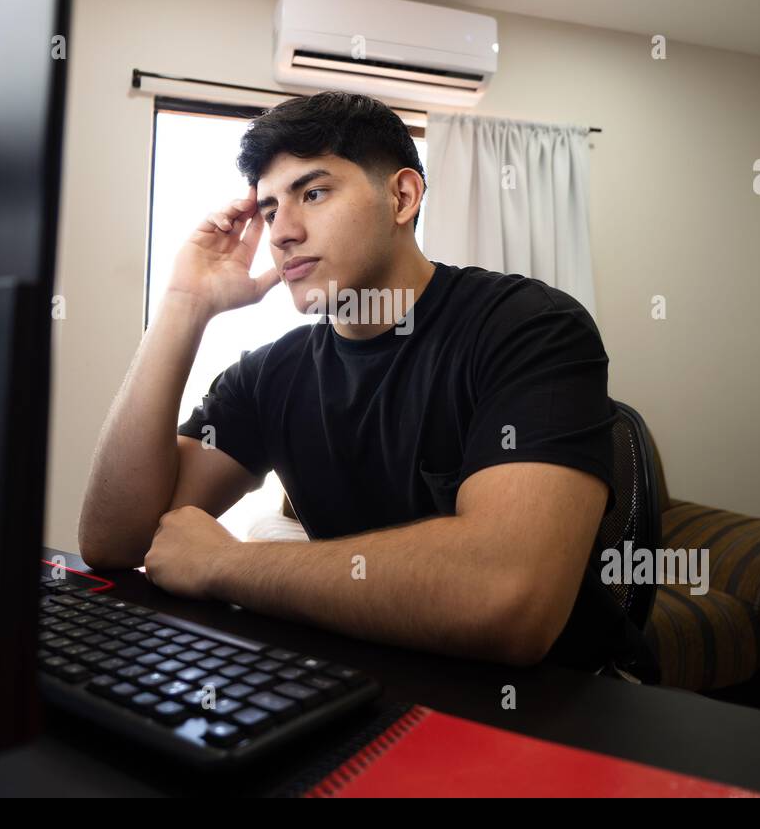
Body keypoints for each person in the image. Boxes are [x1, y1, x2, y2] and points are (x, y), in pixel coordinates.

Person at [79, 90, 642, 672]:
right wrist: (183, 305)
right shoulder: (268, 375)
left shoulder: (530, 326)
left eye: (313, 193)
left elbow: (508, 596)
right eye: (270, 210)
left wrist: (226, 564)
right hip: (373, 683)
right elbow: (117, 540)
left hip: (559, 705)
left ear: (402, 196)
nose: (282, 233)